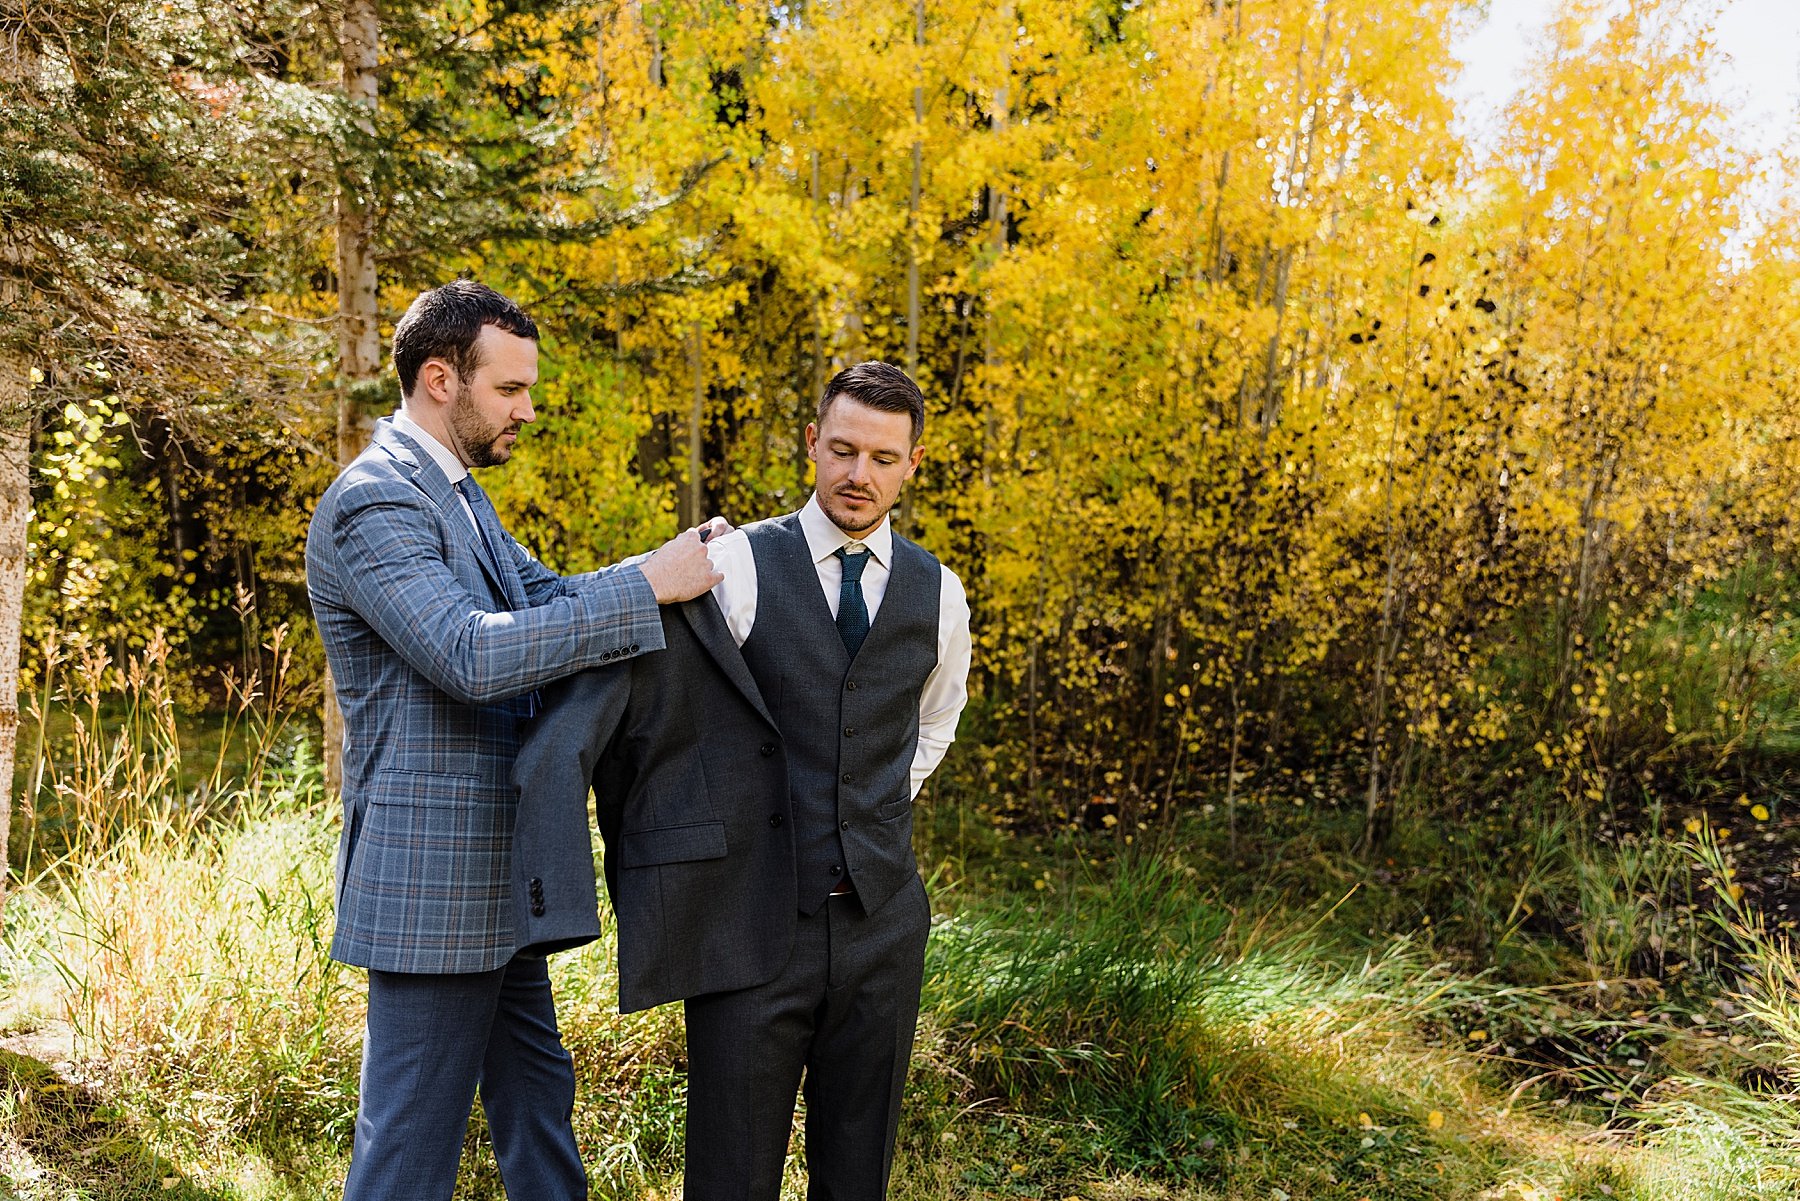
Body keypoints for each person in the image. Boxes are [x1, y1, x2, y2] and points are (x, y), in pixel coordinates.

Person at [512, 360, 971, 1201]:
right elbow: (658, 707)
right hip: (750, 922)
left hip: (882, 924)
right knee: (729, 1176)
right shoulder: (738, 564)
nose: (857, 475)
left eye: (880, 457)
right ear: (811, 445)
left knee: (857, 1173)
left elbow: (934, 721)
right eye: (841, 450)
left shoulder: (939, 593)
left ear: (913, 465)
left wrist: (866, 802)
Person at [304, 279, 722, 1201]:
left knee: (538, 1110)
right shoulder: (375, 502)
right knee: (408, 1153)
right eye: (511, 389)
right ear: (441, 378)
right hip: (434, 890)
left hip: (501, 876)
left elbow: (540, 599)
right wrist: (647, 589)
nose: (528, 409)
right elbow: (468, 653)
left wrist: (672, 564)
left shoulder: (454, 493)